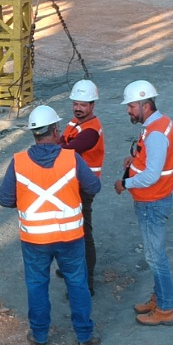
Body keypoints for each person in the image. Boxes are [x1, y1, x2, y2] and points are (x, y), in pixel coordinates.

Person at [0, 104, 100, 345]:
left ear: (34, 133)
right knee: (77, 284)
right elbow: (94, 187)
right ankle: (84, 337)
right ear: (55, 130)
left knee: (37, 285)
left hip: (35, 239)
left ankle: (41, 337)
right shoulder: (71, 158)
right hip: (70, 237)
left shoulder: (19, 162)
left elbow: (5, 199)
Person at [115, 79, 173, 326]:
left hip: (153, 202)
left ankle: (165, 309)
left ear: (145, 104)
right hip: (152, 200)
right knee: (155, 255)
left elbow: (152, 175)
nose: (128, 111)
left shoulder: (156, 135)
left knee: (155, 257)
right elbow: (150, 161)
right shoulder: (158, 126)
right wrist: (133, 160)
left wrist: (125, 184)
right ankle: (159, 298)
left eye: (131, 106)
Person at [60, 79, 106, 291]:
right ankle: (72, 266)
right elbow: (60, 143)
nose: (78, 108)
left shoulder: (90, 131)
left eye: (83, 105)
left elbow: (65, 149)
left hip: (84, 187)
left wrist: (61, 146)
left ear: (92, 105)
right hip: (72, 184)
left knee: (84, 234)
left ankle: (87, 282)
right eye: (76, 104)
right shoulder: (74, 123)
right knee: (69, 229)